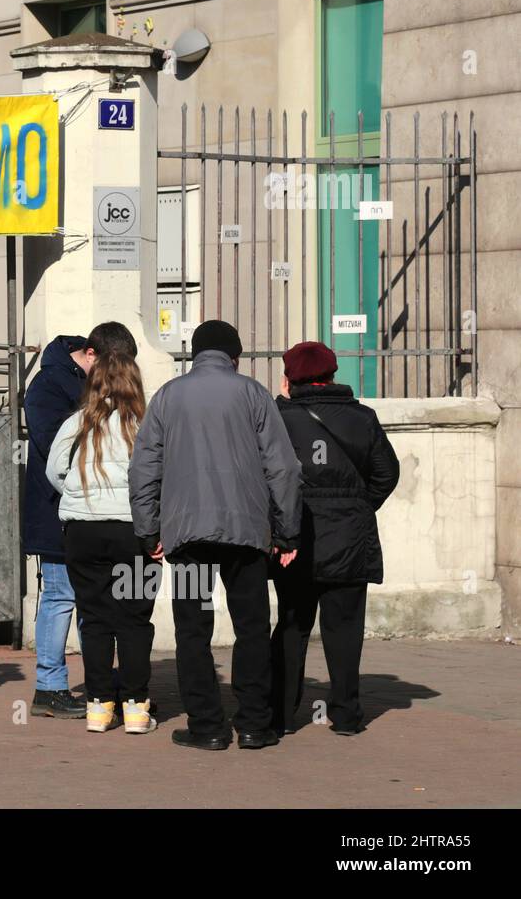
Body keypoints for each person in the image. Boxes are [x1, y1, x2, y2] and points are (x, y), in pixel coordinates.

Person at [129, 320, 302, 751]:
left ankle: (206, 726)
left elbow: (143, 469)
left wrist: (148, 531)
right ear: (235, 357)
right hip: (246, 537)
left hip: (188, 540)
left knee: (192, 629)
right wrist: (286, 532)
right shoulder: (254, 395)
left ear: (194, 354)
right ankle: (254, 725)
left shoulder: (168, 397)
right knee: (252, 626)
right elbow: (284, 469)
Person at [270, 341, 400, 737]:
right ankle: (345, 715)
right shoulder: (362, 418)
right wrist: (359, 508)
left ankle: (281, 715)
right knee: (344, 629)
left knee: (291, 626)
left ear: (290, 379)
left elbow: (267, 477)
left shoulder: (278, 419)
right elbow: (386, 474)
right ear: (332, 375)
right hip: (349, 538)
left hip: (294, 538)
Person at [46, 323, 159, 735]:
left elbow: (55, 471)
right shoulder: (148, 426)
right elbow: (162, 478)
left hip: (83, 532)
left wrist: (81, 499)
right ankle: (135, 708)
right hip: (134, 532)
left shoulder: (77, 423)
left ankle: (97, 707)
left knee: (94, 619)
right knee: (134, 621)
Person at [22, 333, 96, 719]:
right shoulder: (50, 384)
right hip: (56, 508)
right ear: (85, 353)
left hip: (70, 506)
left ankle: (93, 681)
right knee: (59, 594)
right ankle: (49, 686)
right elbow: (54, 444)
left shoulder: (67, 381)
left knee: (79, 597)